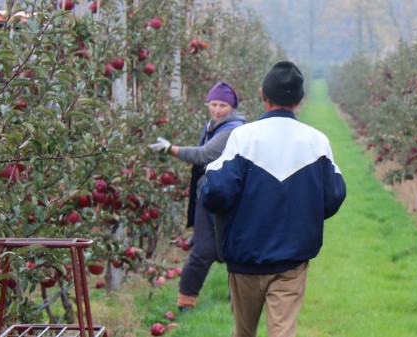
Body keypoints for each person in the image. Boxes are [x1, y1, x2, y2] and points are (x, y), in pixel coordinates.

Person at [200, 61, 346, 337]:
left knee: (243, 331)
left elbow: (217, 193)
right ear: (300, 100)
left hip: (245, 258)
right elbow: (335, 195)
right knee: (282, 332)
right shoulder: (316, 142)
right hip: (292, 259)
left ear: (262, 95)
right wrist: (305, 214)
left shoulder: (243, 137)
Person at [148, 81, 246, 311]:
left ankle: (241, 302)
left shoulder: (232, 129)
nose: (217, 109)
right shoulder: (213, 125)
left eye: (223, 105)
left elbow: (204, 155)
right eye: (213, 104)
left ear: (232, 107)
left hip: (225, 195)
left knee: (228, 249)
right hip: (209, 192)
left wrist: (171, 149)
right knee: (205, 250)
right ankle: (186, 304)